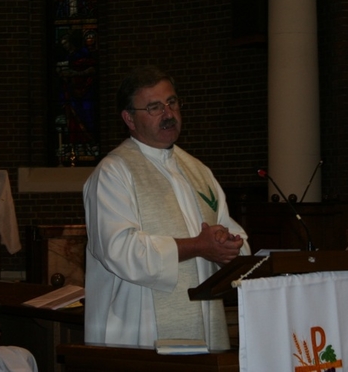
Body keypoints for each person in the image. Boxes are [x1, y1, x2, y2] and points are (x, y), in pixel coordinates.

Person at [83, 65, 250, 350]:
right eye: (154, 107)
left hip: (205, 327)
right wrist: (198, 246)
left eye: (171, 102)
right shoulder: (113, 172)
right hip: (140, 328)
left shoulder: (198, 170)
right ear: (129, 119)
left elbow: (235, 236)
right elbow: (120, 250)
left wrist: (229, 247)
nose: (168, 114)